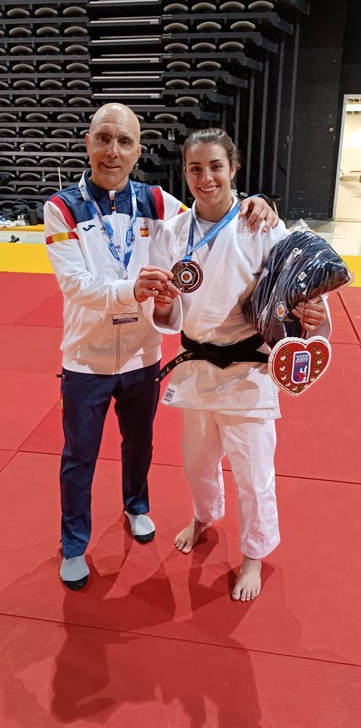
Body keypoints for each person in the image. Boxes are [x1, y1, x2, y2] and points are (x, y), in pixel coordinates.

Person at [43, 103, 278, 591]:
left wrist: (257, 199)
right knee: (79, 455)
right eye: (103, 138)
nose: (113, 151)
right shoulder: (60, 207)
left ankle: (137, 506)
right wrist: (134, 289)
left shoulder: (155, 201)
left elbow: (212, 206)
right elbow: (75, 283)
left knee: (141, 445)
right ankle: (73, 544)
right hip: (85, 357)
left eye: (124, 141)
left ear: (137, 151)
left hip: (144, 354)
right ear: (88, 143)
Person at [148, 127, 331, 602]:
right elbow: (167, 313)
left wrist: (311, 313)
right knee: (196, 463)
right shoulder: (172, 232)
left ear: (233, 169)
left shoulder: (262, 223)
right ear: (184, 173)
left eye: (215, 167)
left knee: (253, 473)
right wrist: (163, 302)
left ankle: (253, 554)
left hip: (250, 369)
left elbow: (299, 282)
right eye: (195, 168)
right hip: (197, 367)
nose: (205, 178)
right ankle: (204, 516)